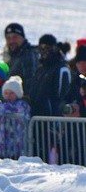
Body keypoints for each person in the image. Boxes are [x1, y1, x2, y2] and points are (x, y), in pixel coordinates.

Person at [26, 34, 71, 164]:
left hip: (51, 122)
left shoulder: (61, 68)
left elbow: (62, 95)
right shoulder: (41, 69)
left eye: (47, 47)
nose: (44, 51)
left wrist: (56, 116)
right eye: (41, 47)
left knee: (49, 157)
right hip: (36, 120)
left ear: (55, 48)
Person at [0, 75, 31, 160]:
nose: (8, 95)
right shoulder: (2, 104)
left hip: (18, 146)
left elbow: (9, 109)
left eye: (12, 93)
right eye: (6, 93)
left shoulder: (22, 105)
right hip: (3, 144)